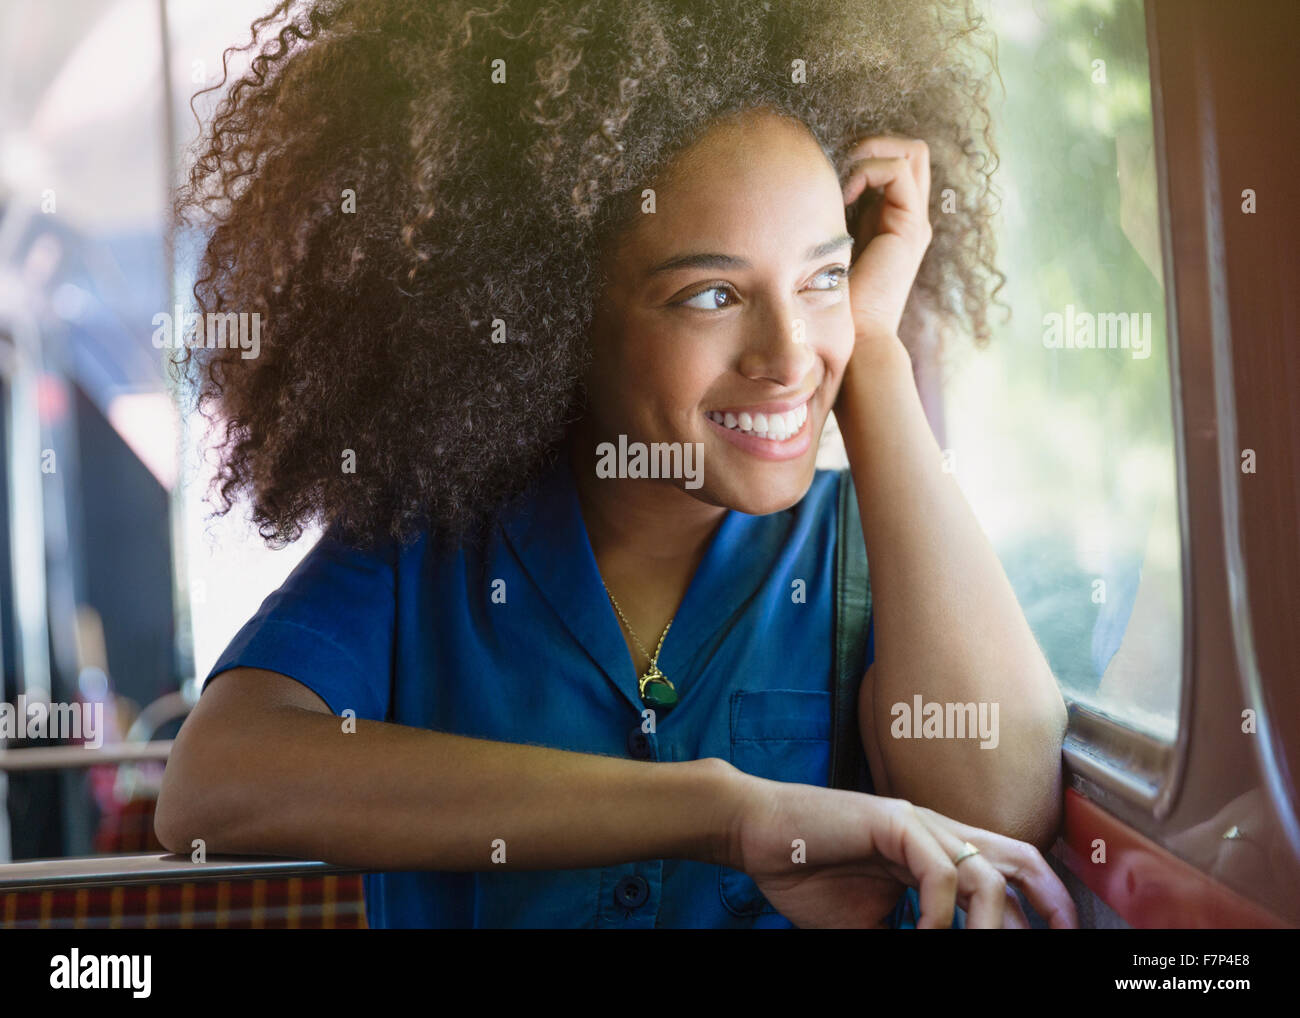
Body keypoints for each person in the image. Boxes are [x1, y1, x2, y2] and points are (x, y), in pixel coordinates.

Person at [155, 0, 1077, 930]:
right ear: (557, 319)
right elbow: (211, 784)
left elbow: (999, 811)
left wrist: (872, 352)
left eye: (822, 277)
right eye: (712, 293)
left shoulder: (872, 547)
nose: (791, 355)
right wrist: (726, 814)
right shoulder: (424, 548)